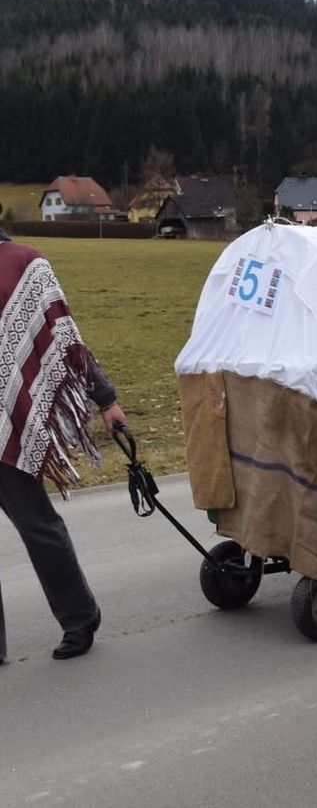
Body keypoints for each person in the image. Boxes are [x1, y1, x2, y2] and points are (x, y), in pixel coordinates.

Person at [0, 231, 127, 662]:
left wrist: (105, 398)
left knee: (37, 526)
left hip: (12, 425)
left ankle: (79, 618)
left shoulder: (25, 263)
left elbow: (67, 341)